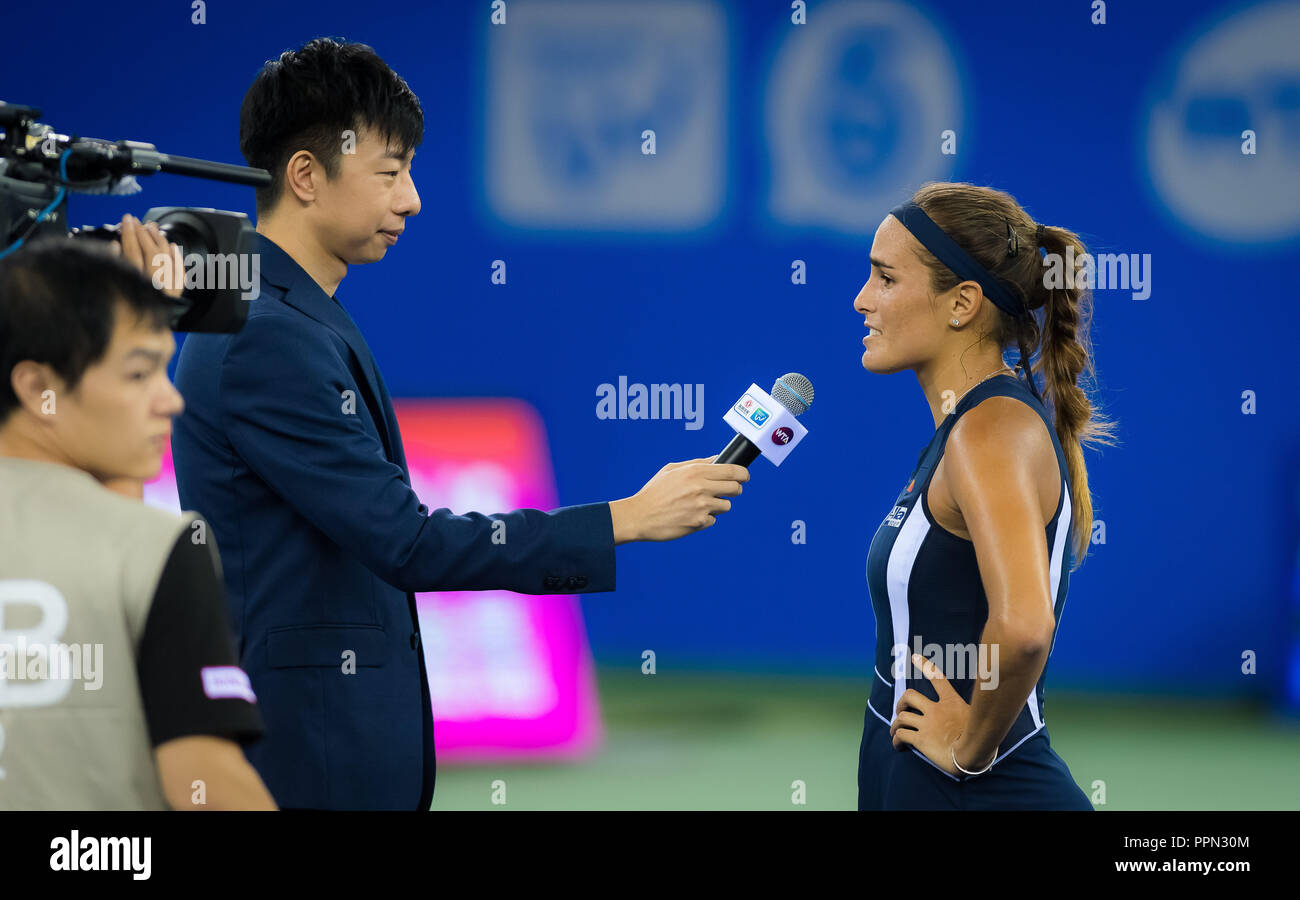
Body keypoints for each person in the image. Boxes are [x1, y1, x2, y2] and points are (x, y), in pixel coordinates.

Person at [170, 38, 749, 810]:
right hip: (308, 759)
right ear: (306, 176)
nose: (411, 200)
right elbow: (407, 541)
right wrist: (624, 520)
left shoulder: (289, 316)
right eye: (390, 172)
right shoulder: (268, 335)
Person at [852, 182, 1117, 810]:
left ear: (962, 303)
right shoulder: (969, 427)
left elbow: (1025, 627)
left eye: (885, 279)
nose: (862, 300)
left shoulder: (988, 432)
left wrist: (968, 750)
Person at [0, 238, 275, 810]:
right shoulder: (156, 549)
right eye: (139, 373)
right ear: (36, 388)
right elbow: (207, 787)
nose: (171, 399)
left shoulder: (133, 542)